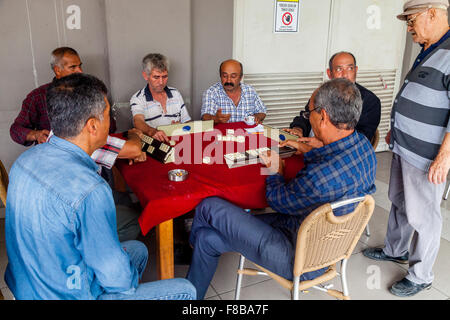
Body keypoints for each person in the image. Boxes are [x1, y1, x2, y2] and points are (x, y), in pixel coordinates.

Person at [4, 73, 196, 300]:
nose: (110, 121)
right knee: (185, 290)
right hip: (65, 294)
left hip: (29, 285)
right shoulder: (90, 190)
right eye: (107, 115)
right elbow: (119, 280)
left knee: (138, 250)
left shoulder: (24, 162)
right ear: (93, 126)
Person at [186, 78, 377, 299]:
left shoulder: (318, 179)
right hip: (325, 242)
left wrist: (274, 170)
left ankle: (189, 243)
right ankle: (191, 298)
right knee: (207, 239)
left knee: (209, 206)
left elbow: (277, 199)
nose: (309, 118)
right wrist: (310, 147)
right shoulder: (364, 146)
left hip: (299, 256)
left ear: (323, 116)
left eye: (310, 114)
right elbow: (335, 163)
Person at [9, 47, 145, 242]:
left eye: (80, 66)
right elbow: (17, 129)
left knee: (121, 200)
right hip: (74, 205)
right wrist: (34, 134)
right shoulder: (85, 147)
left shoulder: (23, 165)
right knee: (132, 233)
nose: (79, 71)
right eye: (73, 67)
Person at [363, 0, 450, 297]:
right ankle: (395, 249)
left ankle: (421, 274)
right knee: (399, 200)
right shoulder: (429, 50)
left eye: (412, 20)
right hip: (404, 146)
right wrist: (397, 127)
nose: (409, 27)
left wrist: (444, 157)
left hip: (428, 155)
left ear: (433, 13)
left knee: (424, 215)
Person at [287, 51, 381, 151]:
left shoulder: (370, 101)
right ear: (329, 73)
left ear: (356, 70)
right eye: (339, 69)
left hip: (336, 154)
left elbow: (362, 139)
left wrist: (323, 143)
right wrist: (298, 129)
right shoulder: (321, 92)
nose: (345, 75)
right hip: (305, 148)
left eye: (350, 68)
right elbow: (307, 114)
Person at [130, 53, 191, 143]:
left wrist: (180, 128)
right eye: (156, 77)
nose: (161, 82)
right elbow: (138, 121)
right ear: (145, 76)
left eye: (165, 76)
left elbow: (187, 122)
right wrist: (153, 131)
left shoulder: (175, 93)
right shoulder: (138, 98)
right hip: (155, 145)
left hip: (178, 142)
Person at [200, 59, 267, 124]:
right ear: (220, 76)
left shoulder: (250, 91)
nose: (228, 81)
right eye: (225, 76)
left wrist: (257, 117)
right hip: (222, 134)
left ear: (240, 77)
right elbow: (205, 117)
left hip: (247, 133)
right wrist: (215, 119)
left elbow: (262, 111)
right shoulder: (211, 92)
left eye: (233, 76)